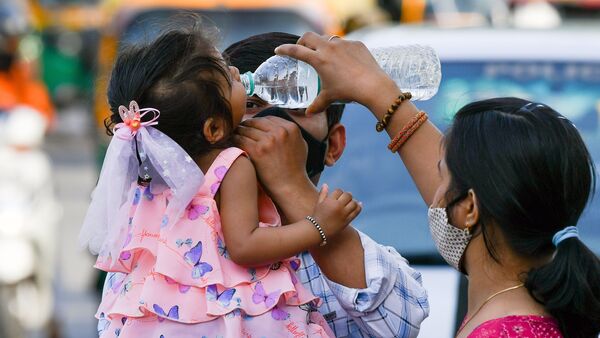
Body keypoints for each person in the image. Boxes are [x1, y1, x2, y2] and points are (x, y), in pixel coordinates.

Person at [273, 32, 600, 338]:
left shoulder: (503, 329)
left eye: (442, 174)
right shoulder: (528, 300)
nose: (432, 189)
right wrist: (375, 90)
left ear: (470, 208)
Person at [80, 22, 363, 337]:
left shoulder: (150, 174)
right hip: (221, 316)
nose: (236, 73)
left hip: (151, 317)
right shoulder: (232, 164)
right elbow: (245, 245)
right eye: (228, 80)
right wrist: (318, 226)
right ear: (214, 129)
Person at [225, 32, 429, 338]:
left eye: (295, 107)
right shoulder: (183, 240)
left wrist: (290, 183)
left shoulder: (368, 262)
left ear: (333, 145)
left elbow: (399, 325)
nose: (275, 128)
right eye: (252, 104)